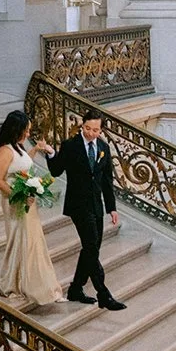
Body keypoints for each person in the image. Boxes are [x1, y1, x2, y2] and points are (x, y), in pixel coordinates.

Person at [47, 115, 126, 310]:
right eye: (87, 128)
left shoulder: (103, 148)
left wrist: (112, 208)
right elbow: (56, 171)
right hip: (78, 205)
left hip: (96, 205)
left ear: (101, 131)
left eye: (95, 130)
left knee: (92, 248)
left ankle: (75, 289)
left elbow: (107, 181)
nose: (90, 133)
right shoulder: (70, 146)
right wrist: (50, 154)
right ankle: (103, 294)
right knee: (91, 246)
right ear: (82, 126)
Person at [0, 110, 62, 308]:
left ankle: (34, 281)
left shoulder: (18, 148)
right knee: (19, 239)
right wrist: (18, 195)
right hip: (14, 202)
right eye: (27, 130)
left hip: (26, 202)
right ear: (17, 130)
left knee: (31, 240)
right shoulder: (5, 150)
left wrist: (36, 150)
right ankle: (13, 282)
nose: (29, 134)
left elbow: (22, 165)